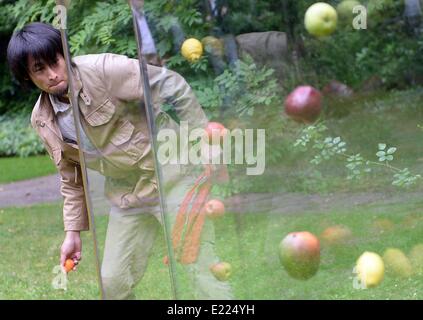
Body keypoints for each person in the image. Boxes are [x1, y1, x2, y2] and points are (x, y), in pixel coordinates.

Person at [7, 22, 233, 300]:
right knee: (112, 282)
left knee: (200, 267)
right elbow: (71, 179)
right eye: (39, 69)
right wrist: (72, 232)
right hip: (128, 194)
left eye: (55, 61)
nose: (53, 75)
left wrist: (204, 143)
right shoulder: (43, 120)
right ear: (28, 77)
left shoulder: (104, 69)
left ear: (65, 55)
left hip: (174, 176)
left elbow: (172, 84)